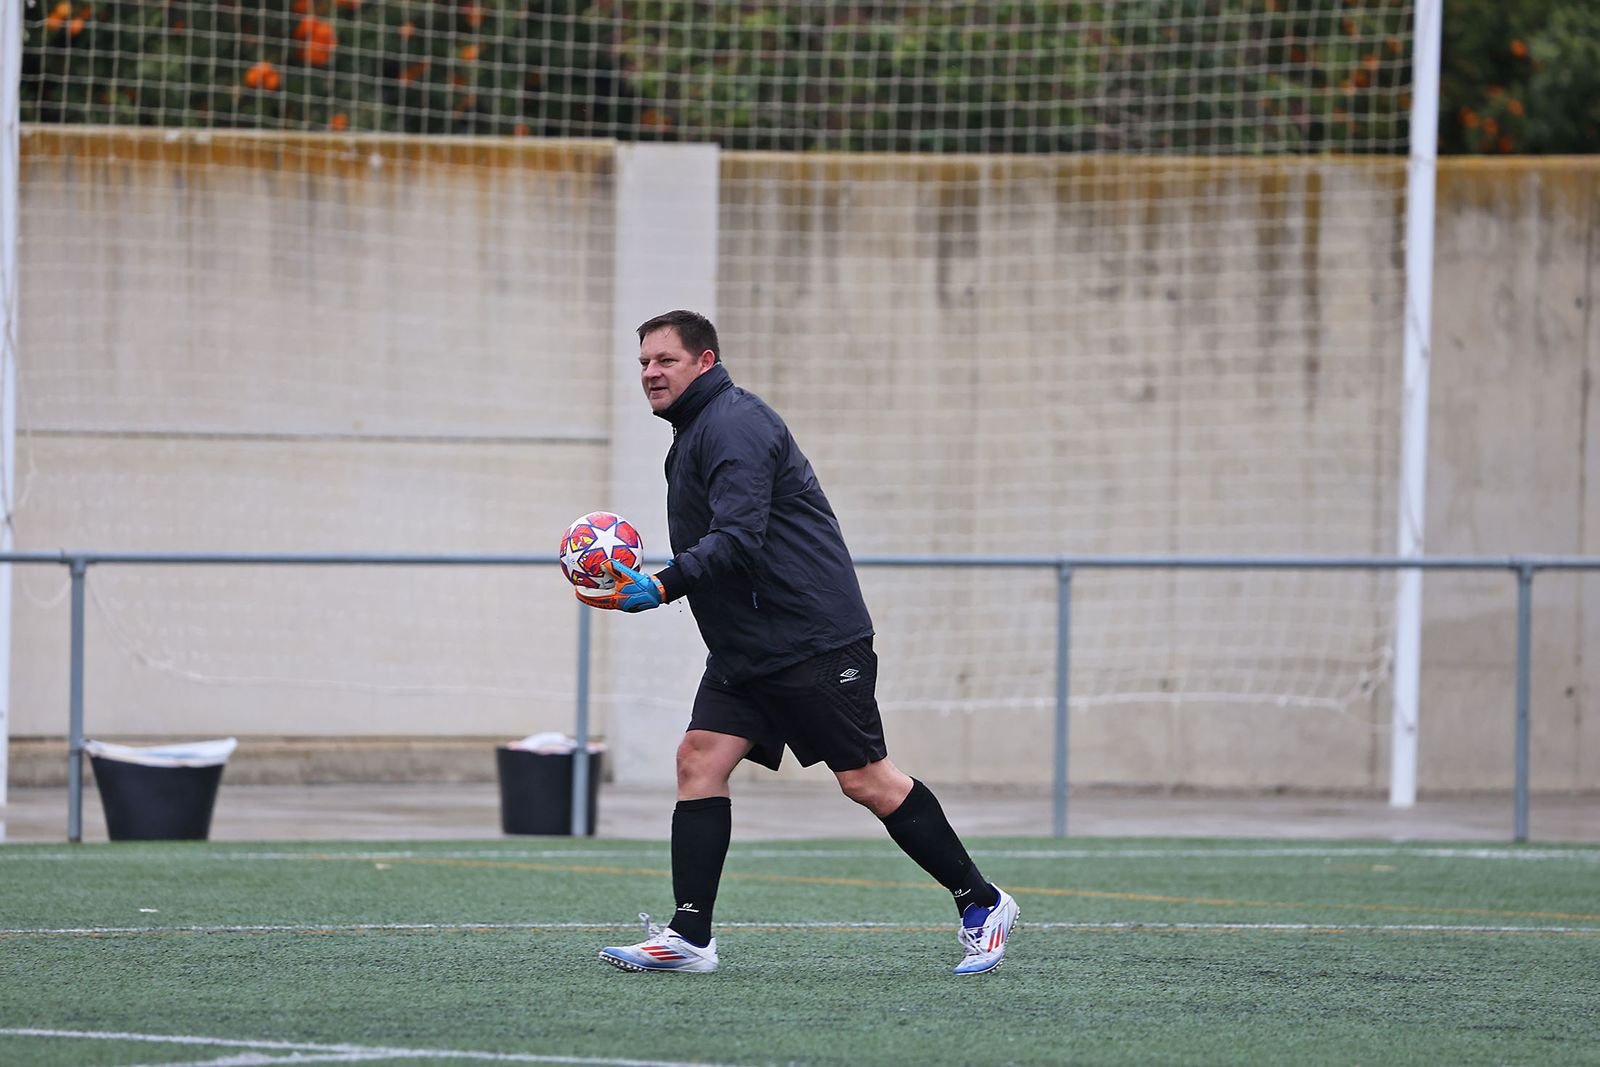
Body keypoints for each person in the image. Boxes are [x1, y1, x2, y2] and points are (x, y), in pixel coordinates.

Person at [578, 309, 1017, 976]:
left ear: (704, 361)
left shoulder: (734, 424)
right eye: (642, 362)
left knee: (867, 780)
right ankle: (690, 935)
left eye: (664, 360)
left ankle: (983, 903)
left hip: (810, 638)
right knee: (699, 759)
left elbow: (738, 537)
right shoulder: (697, 430)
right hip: (748, 647)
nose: (649, 373)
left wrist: (663, 586)